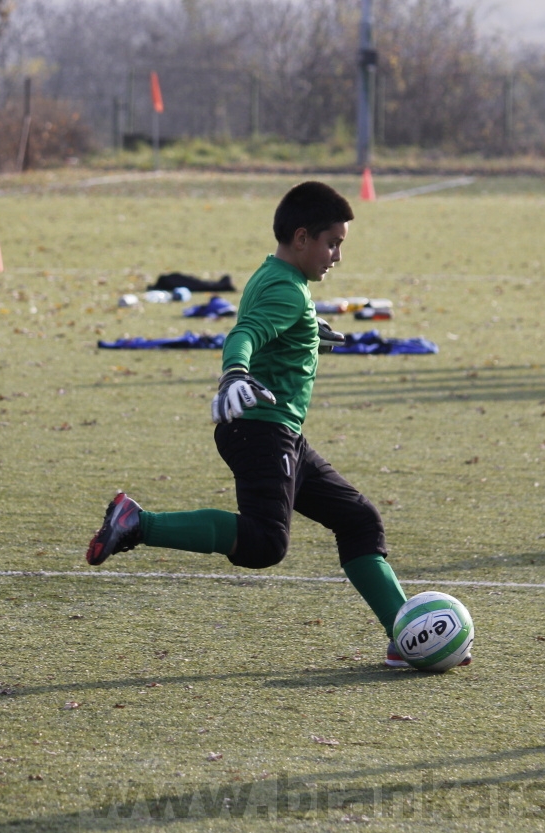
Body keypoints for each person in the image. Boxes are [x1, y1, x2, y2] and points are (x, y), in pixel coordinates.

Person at [84, 182, 462, 669]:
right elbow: (247, 333)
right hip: (262, 429)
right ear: (302, 237)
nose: (337, 256)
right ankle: (138, 524)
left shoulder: (275, 275)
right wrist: (235, 373)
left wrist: (309, 335)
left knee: (358, 520)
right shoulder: (287, 289)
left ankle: (403, 634)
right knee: (264, 543)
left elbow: (270, 327)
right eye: (333, 243)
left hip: (276, 431)